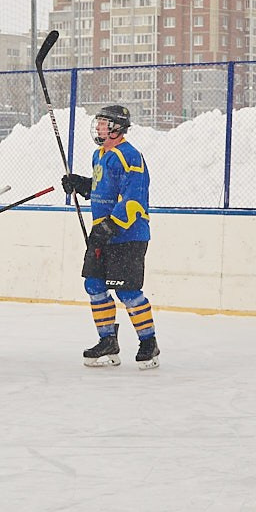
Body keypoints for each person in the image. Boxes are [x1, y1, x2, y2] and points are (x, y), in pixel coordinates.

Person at [60, 102, 158, 368]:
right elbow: (102, 188)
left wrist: (111, 226)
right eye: (99, 122)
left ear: (116, 127)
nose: (99, 127)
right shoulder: (99, 155)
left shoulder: (130, 156)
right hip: (102, 233)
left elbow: (134, 198)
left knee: (127, 292)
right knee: (94, 285)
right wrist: (81, 184)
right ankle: (108, 341)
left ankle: (149, 343)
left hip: (127, 234)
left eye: (104, 122)